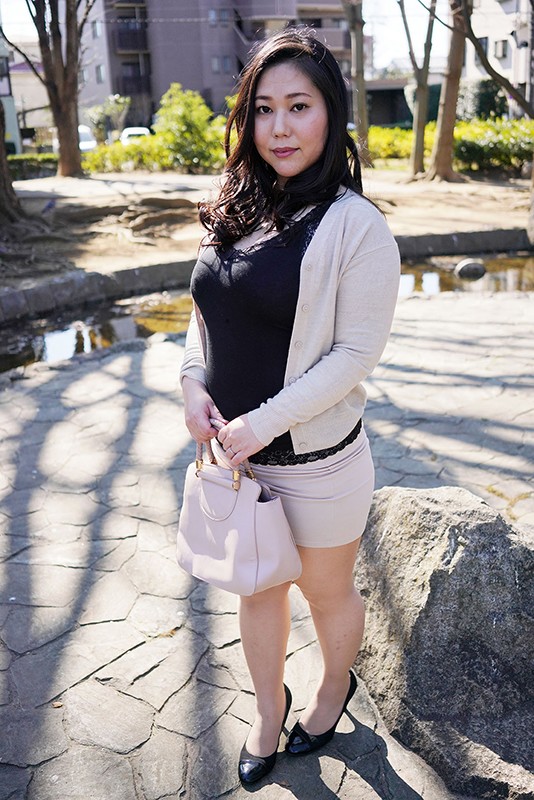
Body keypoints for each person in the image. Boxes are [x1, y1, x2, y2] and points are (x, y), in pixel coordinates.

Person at [180, 27, 400, 786]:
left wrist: (260, 423)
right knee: (259, 592)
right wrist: (191, 382)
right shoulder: (237, 202)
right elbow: (206, 310)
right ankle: (268, 712)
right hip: (239, 462)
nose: (279, 127)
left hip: (318, 466)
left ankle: (332, 691)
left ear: (331, 113)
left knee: (326, 592)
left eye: (299, 106)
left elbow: (355, 355)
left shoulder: (358, 226)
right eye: (264, 108)